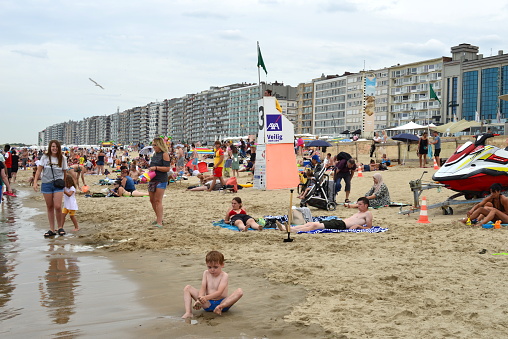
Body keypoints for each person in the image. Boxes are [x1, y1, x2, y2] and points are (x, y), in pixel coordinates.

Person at [182, 250, 243, 318]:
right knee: (187, 288)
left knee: (239, 291)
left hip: (223, 303)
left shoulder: (224, 275)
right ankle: (188, 312)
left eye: (215, 267)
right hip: (208, 304)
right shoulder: (206, 273)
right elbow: (203, 288)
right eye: (209, 267)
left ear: (222, 265)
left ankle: (219, 307)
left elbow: (219, 292)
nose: (212, 270)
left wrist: (206, 297)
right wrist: (199, 300)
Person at [33, 140, 68, 237]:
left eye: (56, 146)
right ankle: (52, 229)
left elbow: (65, 173)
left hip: (58, 184)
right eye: (53, 146)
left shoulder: (63, 158)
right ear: (50, 147)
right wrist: (35, 182)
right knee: (49, 207)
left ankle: (60, 227)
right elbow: (39, 170)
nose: (54, 148)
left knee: (57, 206)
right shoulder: (45, 157)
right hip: (46, 184)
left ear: (59, 148)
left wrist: (64, 184)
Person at [277, 197, 373, 232]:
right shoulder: (359, 212)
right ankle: (288, 228)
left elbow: (369, 227)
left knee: (314, 225)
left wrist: (358, 226)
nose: (358, 206)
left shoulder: (368, 213)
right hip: (339, 222)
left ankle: (290, 230)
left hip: (342, 225)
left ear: (366, 205)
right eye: (358, 204)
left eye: (360, 204)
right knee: (310, 223)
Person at [148, 137, 171, 228]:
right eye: (153, 145)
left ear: (159, 145)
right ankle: (158, 218)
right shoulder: (154, 154)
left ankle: (159, 222)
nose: (153, 147)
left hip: (161, 179)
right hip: (152, 179)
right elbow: (152, 166)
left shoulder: (164, 154)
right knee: (152, 200)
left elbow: (167, 168)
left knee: (158, 200)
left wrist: (156, 168)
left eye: (155, 145)